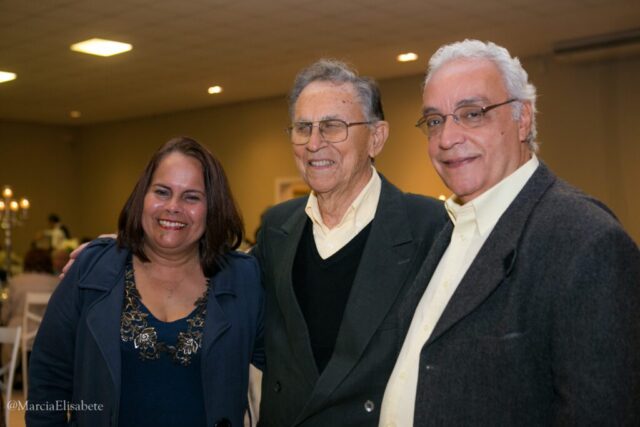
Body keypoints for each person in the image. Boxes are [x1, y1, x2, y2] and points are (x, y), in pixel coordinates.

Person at [380, 39, 640, 426]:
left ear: (523, 120)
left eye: (472, 114)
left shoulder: (585, 241)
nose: (447, 138)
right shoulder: (448, 231)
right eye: (435, 121)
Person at [253, 60, 445, 426]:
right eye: (303, 128)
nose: (314, 143)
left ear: (376, 138)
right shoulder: (276, 229)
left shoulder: (430, 228)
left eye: (332, 126)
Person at [27, 137, 265, 427]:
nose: (173, 207)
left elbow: (288, 370)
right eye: (162, 192)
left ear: (213, 207)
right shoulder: (92, 270)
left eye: (191, 197)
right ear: (143, 196)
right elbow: (48, 376)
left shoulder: (243, 279)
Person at [1, 247, 58, 364]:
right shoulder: (57, 282)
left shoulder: (16, 281)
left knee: (6, 332)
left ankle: (8, 372)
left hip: (18, 334)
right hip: (49, 332)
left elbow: (5, 315)